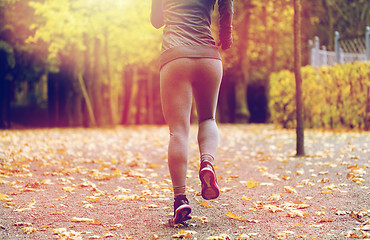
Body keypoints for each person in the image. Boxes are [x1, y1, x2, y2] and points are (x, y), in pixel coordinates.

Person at [151, 0, 233, 224]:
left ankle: (180, 200)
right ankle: (207, 162)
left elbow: (156, 21)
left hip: (174, 56)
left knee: (178, 131)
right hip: (208, 55)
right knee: (208, 118)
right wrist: (225, 38)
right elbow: (226, 8)